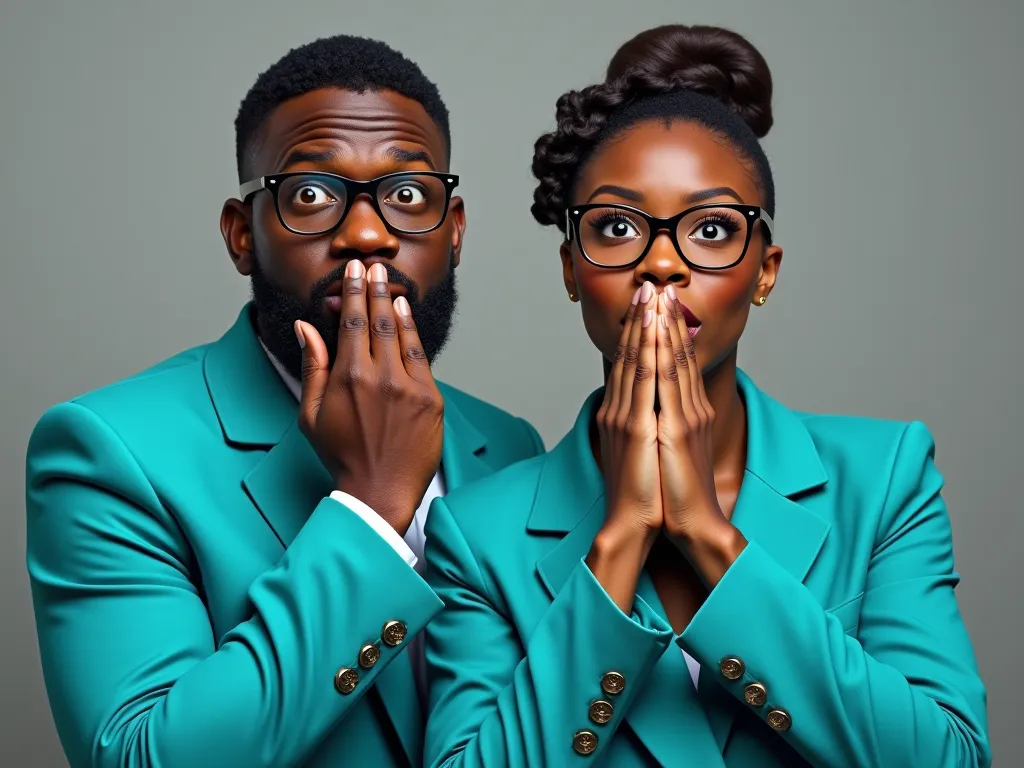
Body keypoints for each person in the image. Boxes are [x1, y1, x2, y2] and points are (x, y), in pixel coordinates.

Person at [422, 23, 991, 768]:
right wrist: (623, 537)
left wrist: (706, 535)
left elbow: (950, 757)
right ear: (570, 268)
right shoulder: (477, 534)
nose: (661, 262)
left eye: (713, 229)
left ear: (765, 270)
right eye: (618, 226)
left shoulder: (884, 480)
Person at [25, 34, 543, 768]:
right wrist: (373, 507)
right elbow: (140, 758)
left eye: (407, 195)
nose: (366, 234)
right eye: (311, 195)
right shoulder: (107, 452)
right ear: (243, 236)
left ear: (453, 232)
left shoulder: (511, 447)